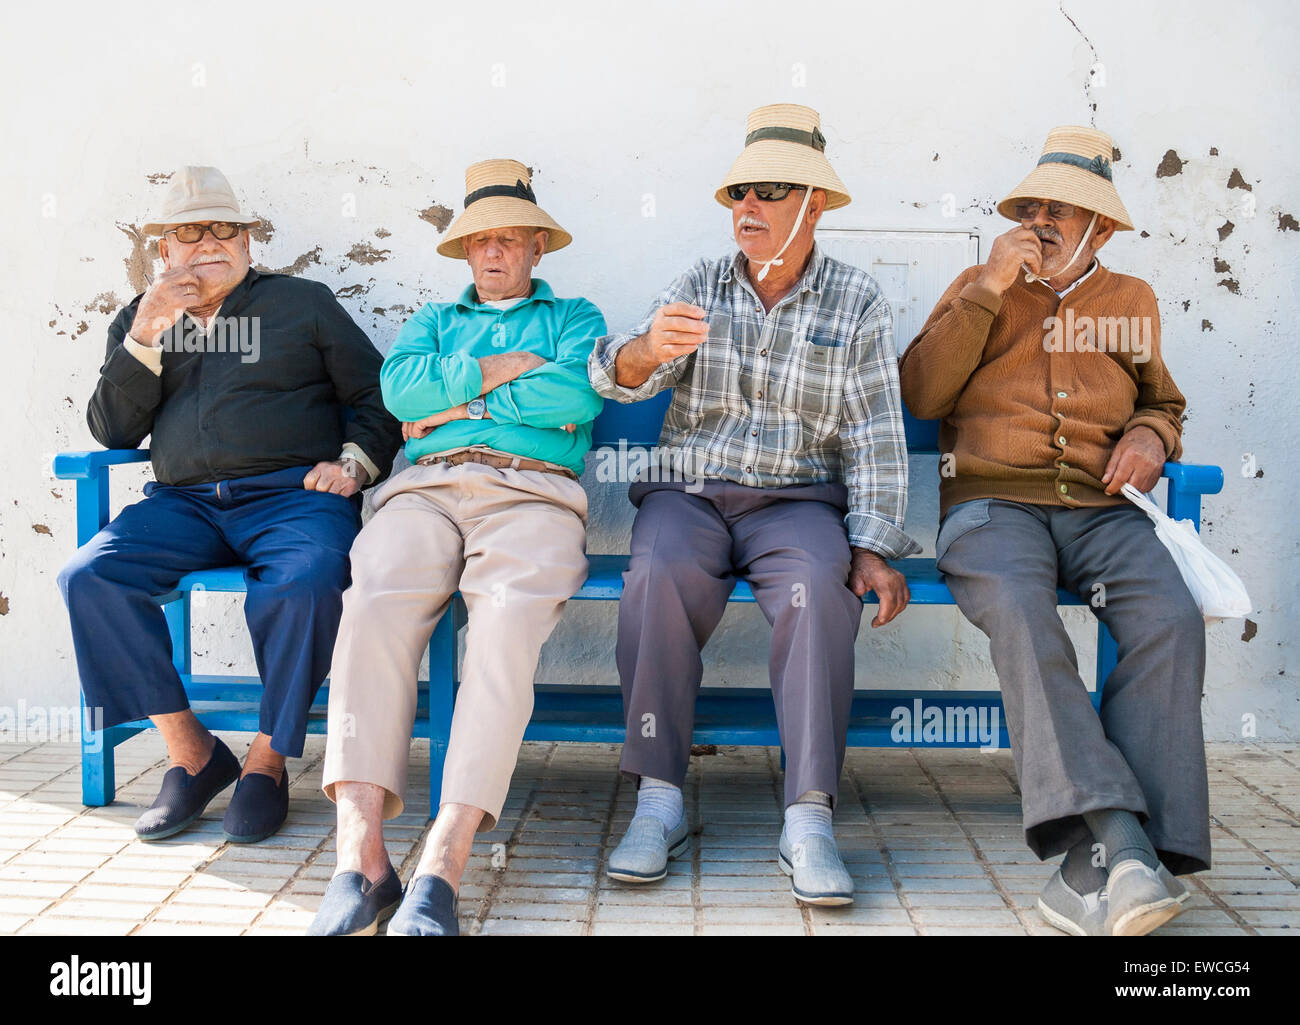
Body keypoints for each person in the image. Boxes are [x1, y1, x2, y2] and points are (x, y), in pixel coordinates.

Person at [588, 105, 918, 906]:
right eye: (740, 190)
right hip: (689, 492)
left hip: (796, 499)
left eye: (770, 191)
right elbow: (612, 374)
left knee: (819, 586)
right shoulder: (699, 285)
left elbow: (875, 432)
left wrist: (871, 543)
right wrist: (641, 353)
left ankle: (808, 815)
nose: (747, 207)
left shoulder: (857, 302)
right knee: (657, 571)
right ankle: (659, 797)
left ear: (815, 205)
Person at [898, 126, 1204, 936]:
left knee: (1169, 616)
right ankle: (1118, 842)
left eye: (1061, 209)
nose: (1040, 219)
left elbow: (1162, 400)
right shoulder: (980, 283)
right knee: (1025, 616)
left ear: (1100, 227)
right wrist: (989, 287)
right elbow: (924, 396)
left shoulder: (1129, 300)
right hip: (992, 509)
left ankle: (1130, 861)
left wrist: (1150, 437)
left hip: (1104, 510)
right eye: (1031, 204)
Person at [58, 166, 401, 845]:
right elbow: (113, 431)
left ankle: (266, 762)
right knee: (88, 577)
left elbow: (377, 399)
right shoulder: (142, 317)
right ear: (165, 250)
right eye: (189, 231)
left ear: (247, 242)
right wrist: (149, 330)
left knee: (306, 581)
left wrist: (354, 464)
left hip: (291, 501)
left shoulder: (302, 303)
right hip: (183, 505)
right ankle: (192, 753)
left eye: (225, 229)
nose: (208, 242)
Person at [311, 160, 606, 936]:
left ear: (538, 246)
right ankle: (361, 858)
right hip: (427, 489)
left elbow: (576, 395)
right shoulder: (432, 322)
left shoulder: (575, 317)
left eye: (509, 238)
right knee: (371, 596)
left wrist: (455, 404)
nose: (493, 253)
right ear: (465, 253)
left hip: (533, 493)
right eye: (480, 241)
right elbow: (400, 393)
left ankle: (444, 858)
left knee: (505, 620)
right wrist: (501, 379)